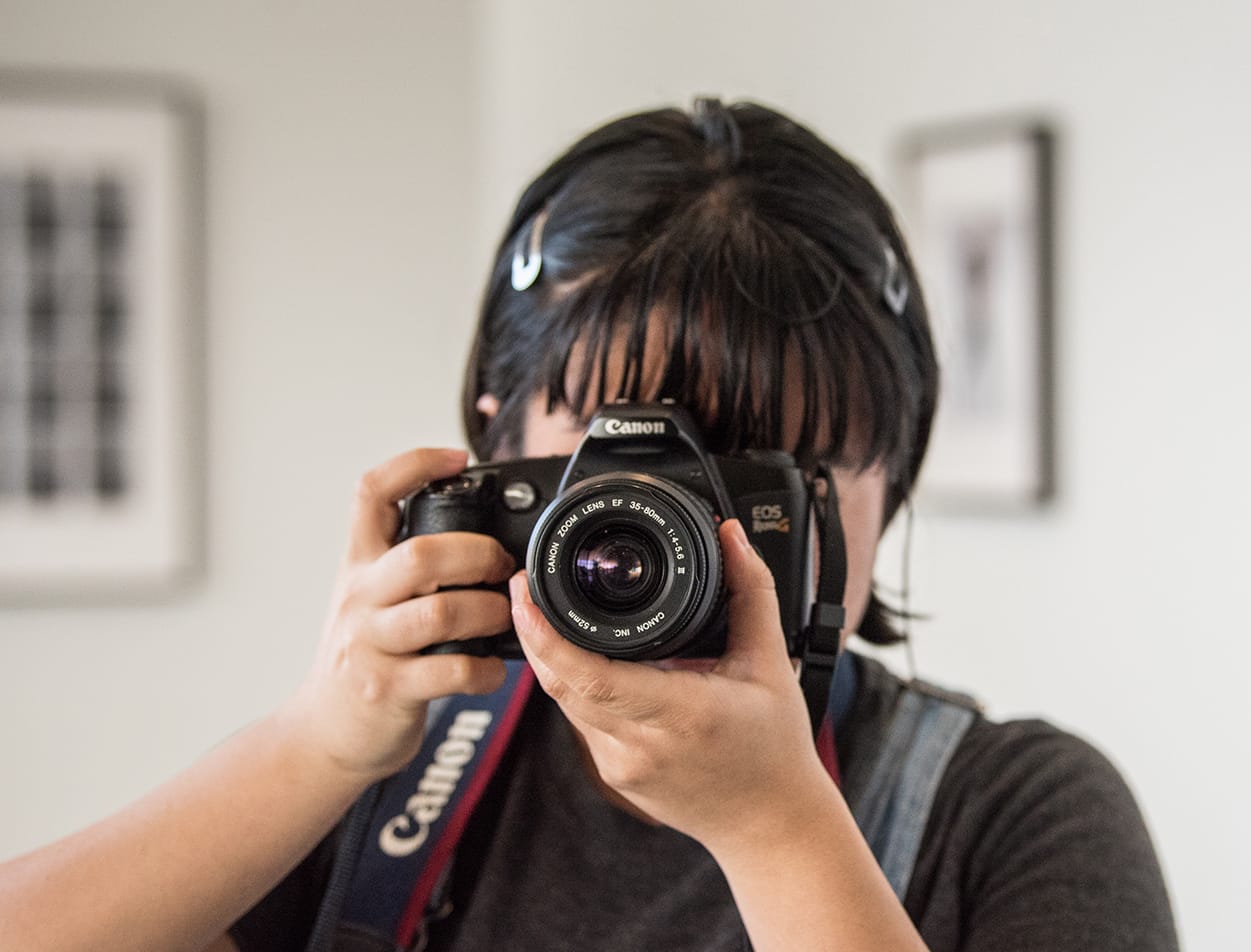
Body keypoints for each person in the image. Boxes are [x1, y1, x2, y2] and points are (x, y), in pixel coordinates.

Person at [0, 99, 1177, 952]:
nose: (692, 529)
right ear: (493, 444)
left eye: (770, 474)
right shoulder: (394, 780)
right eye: (622, 449)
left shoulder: (1014, 812)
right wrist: (315, 745)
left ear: (894, 484)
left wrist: (776, 829)